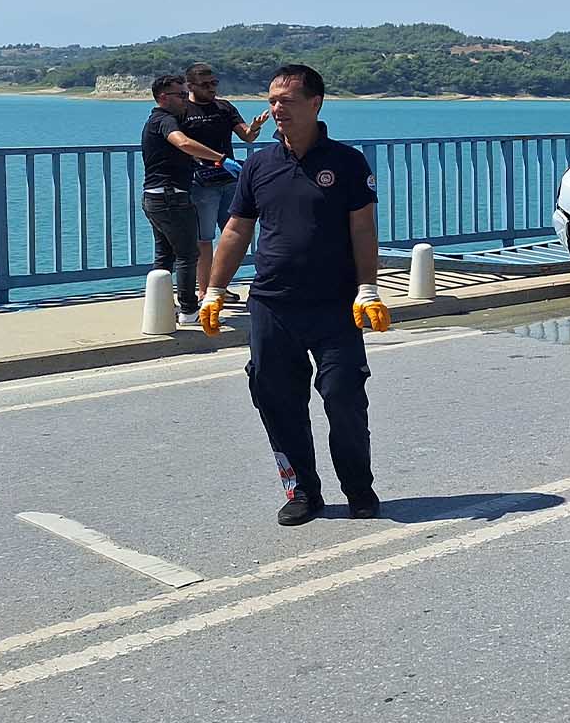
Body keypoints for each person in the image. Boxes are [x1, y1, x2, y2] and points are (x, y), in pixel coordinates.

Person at [201, 64, 389, 526]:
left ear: (315, 103)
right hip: (271, 304)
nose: (275, 109)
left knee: (344, 397)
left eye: (285, 100)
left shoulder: (346, 162)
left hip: (334, 303)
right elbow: (236, 230)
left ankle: (358, 488)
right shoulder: (260, 165)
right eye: (271, 100)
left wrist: (368, 289)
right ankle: (302, 489)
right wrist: (213, 292)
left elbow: (363, 229)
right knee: (275, 399)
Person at [141, 75, 230, 326]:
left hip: (154, 197)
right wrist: (220, 159)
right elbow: (183, 143)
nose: (185, 99)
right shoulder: (165, 120)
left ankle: (158, 308)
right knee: (188, 254)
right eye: (180, 95)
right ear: (163, 98)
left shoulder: (154, 120)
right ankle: (190, 311)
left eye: (184, 93)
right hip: (172, 197)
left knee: (164, 255)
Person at [181, 62, 270, 301]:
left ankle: (219, 285)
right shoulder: (183, 110)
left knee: (235, 233)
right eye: (205, 84)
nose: (212, 88)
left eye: (214, 83)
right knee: (204, 238)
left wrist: (255, 127)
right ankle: (204, 291)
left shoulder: (224, 107)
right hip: (200, 182)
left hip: (229, 179)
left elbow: (247, 136)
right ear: (190, 85)